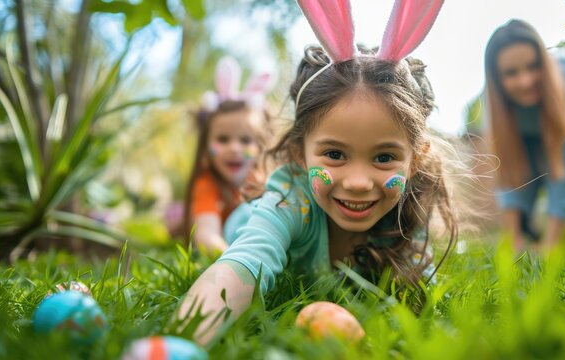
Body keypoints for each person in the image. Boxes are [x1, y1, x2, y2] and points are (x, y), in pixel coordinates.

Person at [178, 0, 460, 345]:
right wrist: (185, 344)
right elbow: (239, 268)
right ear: (300, 153)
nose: (358, 183)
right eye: (335, 154)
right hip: (243, 222)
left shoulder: (405, 213)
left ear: (415, 160)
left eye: (384, 157)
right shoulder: (290, 201)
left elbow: (421, 293)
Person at [483, 19, 565, 251]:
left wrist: (550, 247)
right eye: (511, 73)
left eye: (533, 66)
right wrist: (514, 243)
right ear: (497, 79)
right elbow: (511, 168)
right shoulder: (495, 103)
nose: (525, 81)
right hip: (531, 148)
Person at [182, 56, 273, 256]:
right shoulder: (207, 185)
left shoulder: (264, 182)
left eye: (245, 141)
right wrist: (238, 260)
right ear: (205, 147)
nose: (234, 148)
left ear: (260, 146)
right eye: (223, 140)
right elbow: (206, 236)